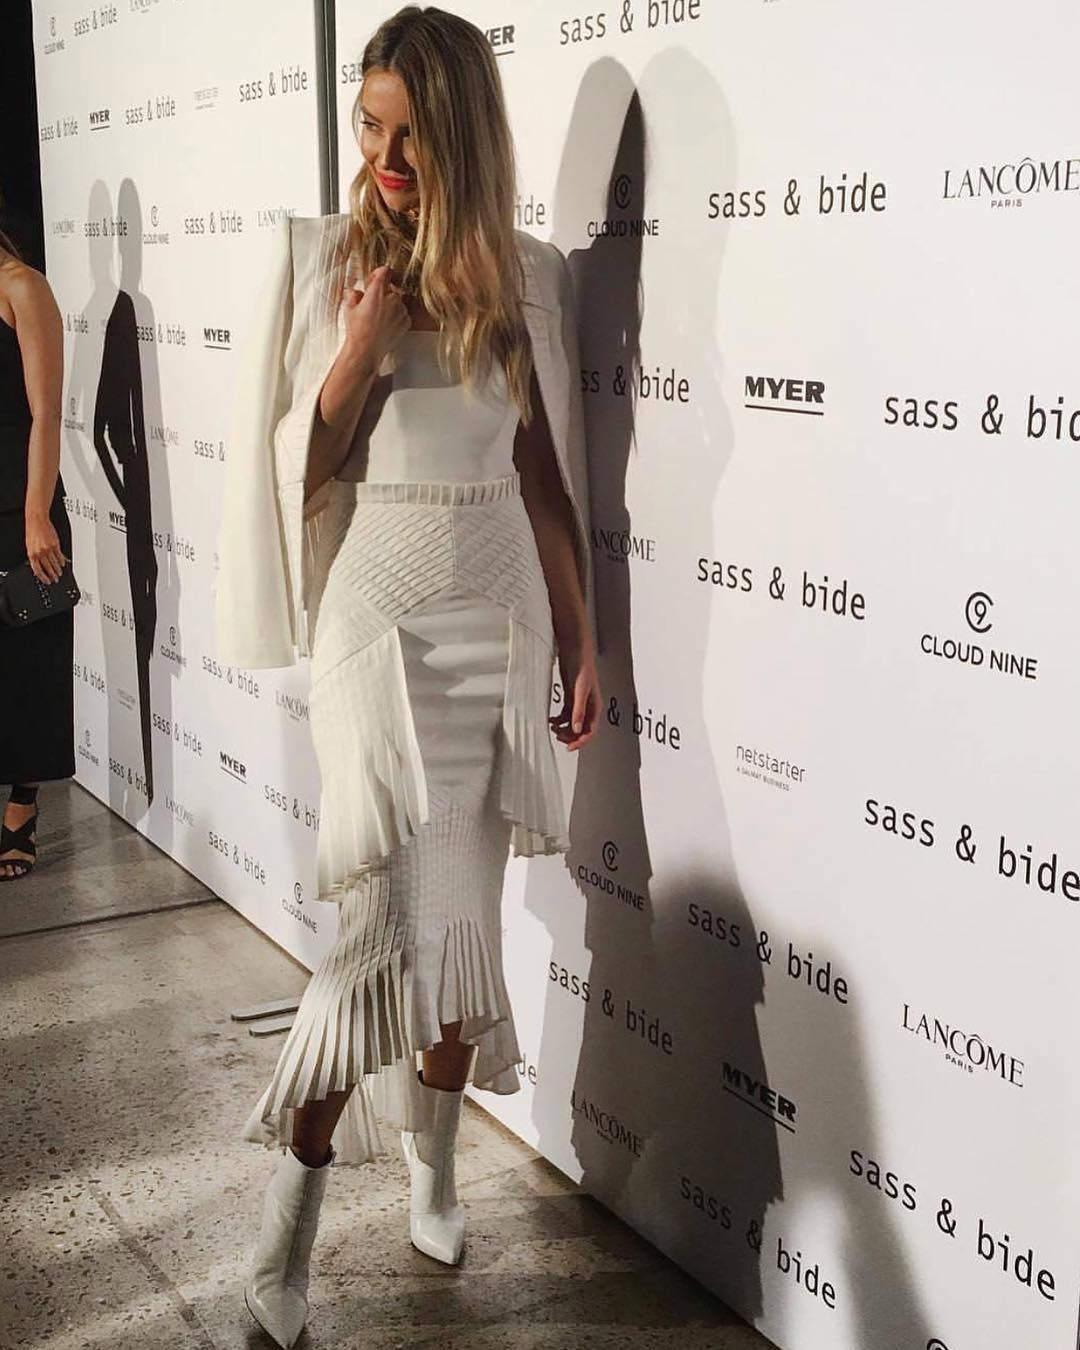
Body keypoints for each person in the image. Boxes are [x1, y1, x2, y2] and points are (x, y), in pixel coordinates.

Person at [213, 7, 599, 1346]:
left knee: (463, 917)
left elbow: (543, 480)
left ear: (463, 136)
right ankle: (286, 1232)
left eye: (411, 132)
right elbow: (298, 473)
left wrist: (584, 639)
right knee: (377, 925)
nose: (383, 156)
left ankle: (434, 1174)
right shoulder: (328, 263)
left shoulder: (526, 277)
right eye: (369, 126)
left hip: (495, 614)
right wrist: (357, 352)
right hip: (377, 612)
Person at [0, 217, 74, 879]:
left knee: (28, 660)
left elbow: (46, 412)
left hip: (17, 503)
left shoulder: (22, 287)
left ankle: (23, 804)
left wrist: (36, 514)